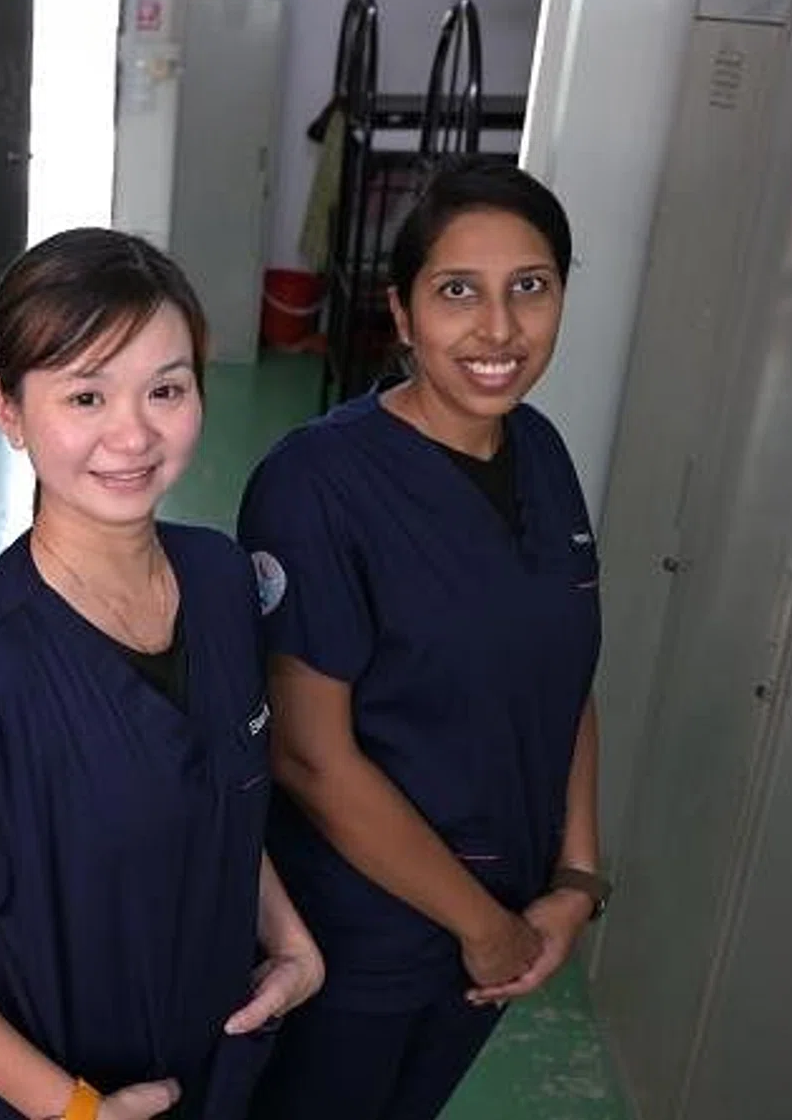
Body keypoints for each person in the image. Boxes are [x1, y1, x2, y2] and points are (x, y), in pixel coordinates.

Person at [0, 228, 324, 1120]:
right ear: (8, 409)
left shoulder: (220, 581)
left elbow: (219, 787)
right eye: (86, 395)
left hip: (208, 1064)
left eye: (167, 389)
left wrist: (292, 940)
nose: (133, 434)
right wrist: (72, 1110)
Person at [237, 157, 606, 1120]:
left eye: (530, 287)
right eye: (457, 293)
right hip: (364, 937)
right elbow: (310, 757)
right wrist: (483, 927)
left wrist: (573, 877)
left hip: (506, 926)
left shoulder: (543, 451)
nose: (498, 330)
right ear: (400, 315)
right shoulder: (317, 484)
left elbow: (564, 673)